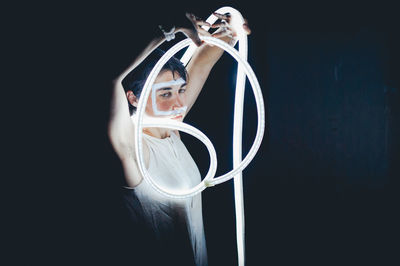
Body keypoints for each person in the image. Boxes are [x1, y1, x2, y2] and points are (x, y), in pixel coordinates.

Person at [108, 11, 250, 266]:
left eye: (181, 90)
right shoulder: (132, 149)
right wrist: (170, 29)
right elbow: (109, 80)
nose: (178, 103)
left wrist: (230, 31)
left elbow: (203, 62)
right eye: (164, 94)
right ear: (133, 98)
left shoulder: (171, 130)